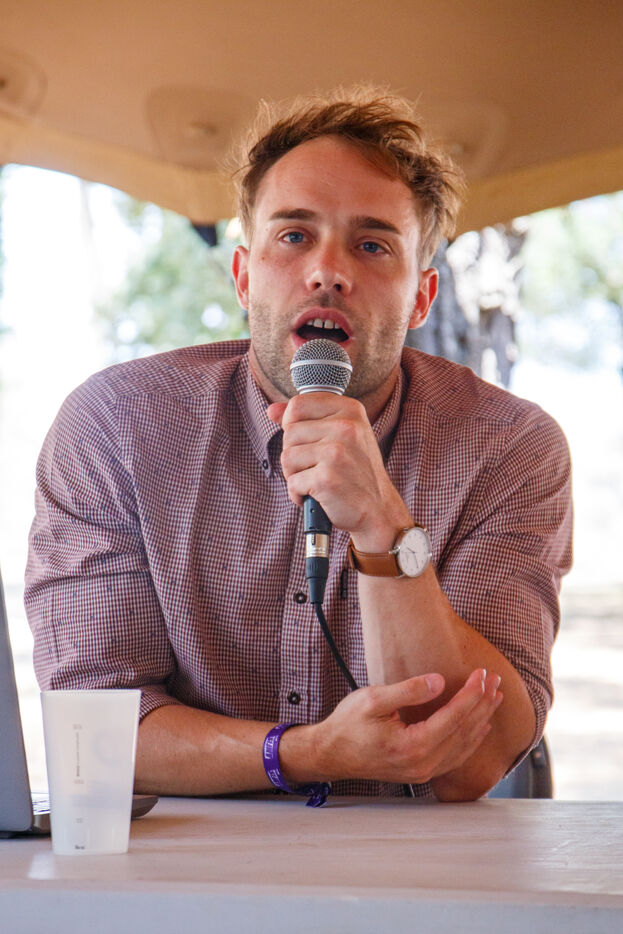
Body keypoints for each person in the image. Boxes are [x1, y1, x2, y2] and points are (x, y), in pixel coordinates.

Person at [25, 88, 572, 802]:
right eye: (293, 236)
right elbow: (88, 733)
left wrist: (383, 528)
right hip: (187, 861)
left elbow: (475, 761)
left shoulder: (510, 446)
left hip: (411, 864)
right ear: (243, 276)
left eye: (372, 245)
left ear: (421, 297)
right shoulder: (116, 427)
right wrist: (306, 753)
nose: (327, 272)